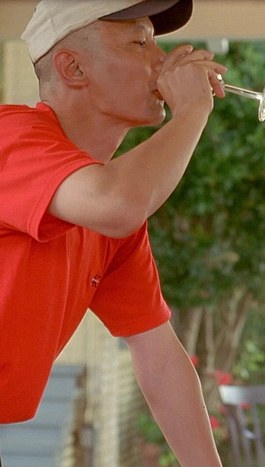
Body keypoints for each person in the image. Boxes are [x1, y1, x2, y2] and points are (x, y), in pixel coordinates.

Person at [0, 0, 226, 464]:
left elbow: (159, 359)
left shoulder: (108, 213)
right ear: (73, 68)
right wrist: (191, 111)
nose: (163, 60)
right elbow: (116, 202)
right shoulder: (11, 136)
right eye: (139, 42)